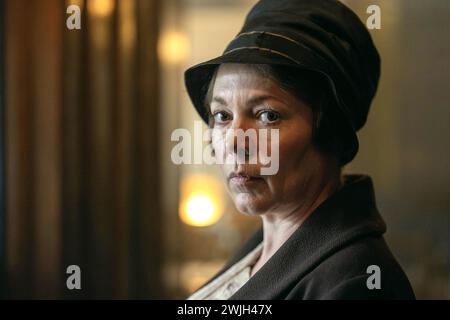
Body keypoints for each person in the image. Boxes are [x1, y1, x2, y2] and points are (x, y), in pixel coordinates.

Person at [184, 0, 415, 299]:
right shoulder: (262, 249)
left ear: (331, 132)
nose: (234, 142)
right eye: (222, 116)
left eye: (267, 115)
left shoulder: (359, 282)